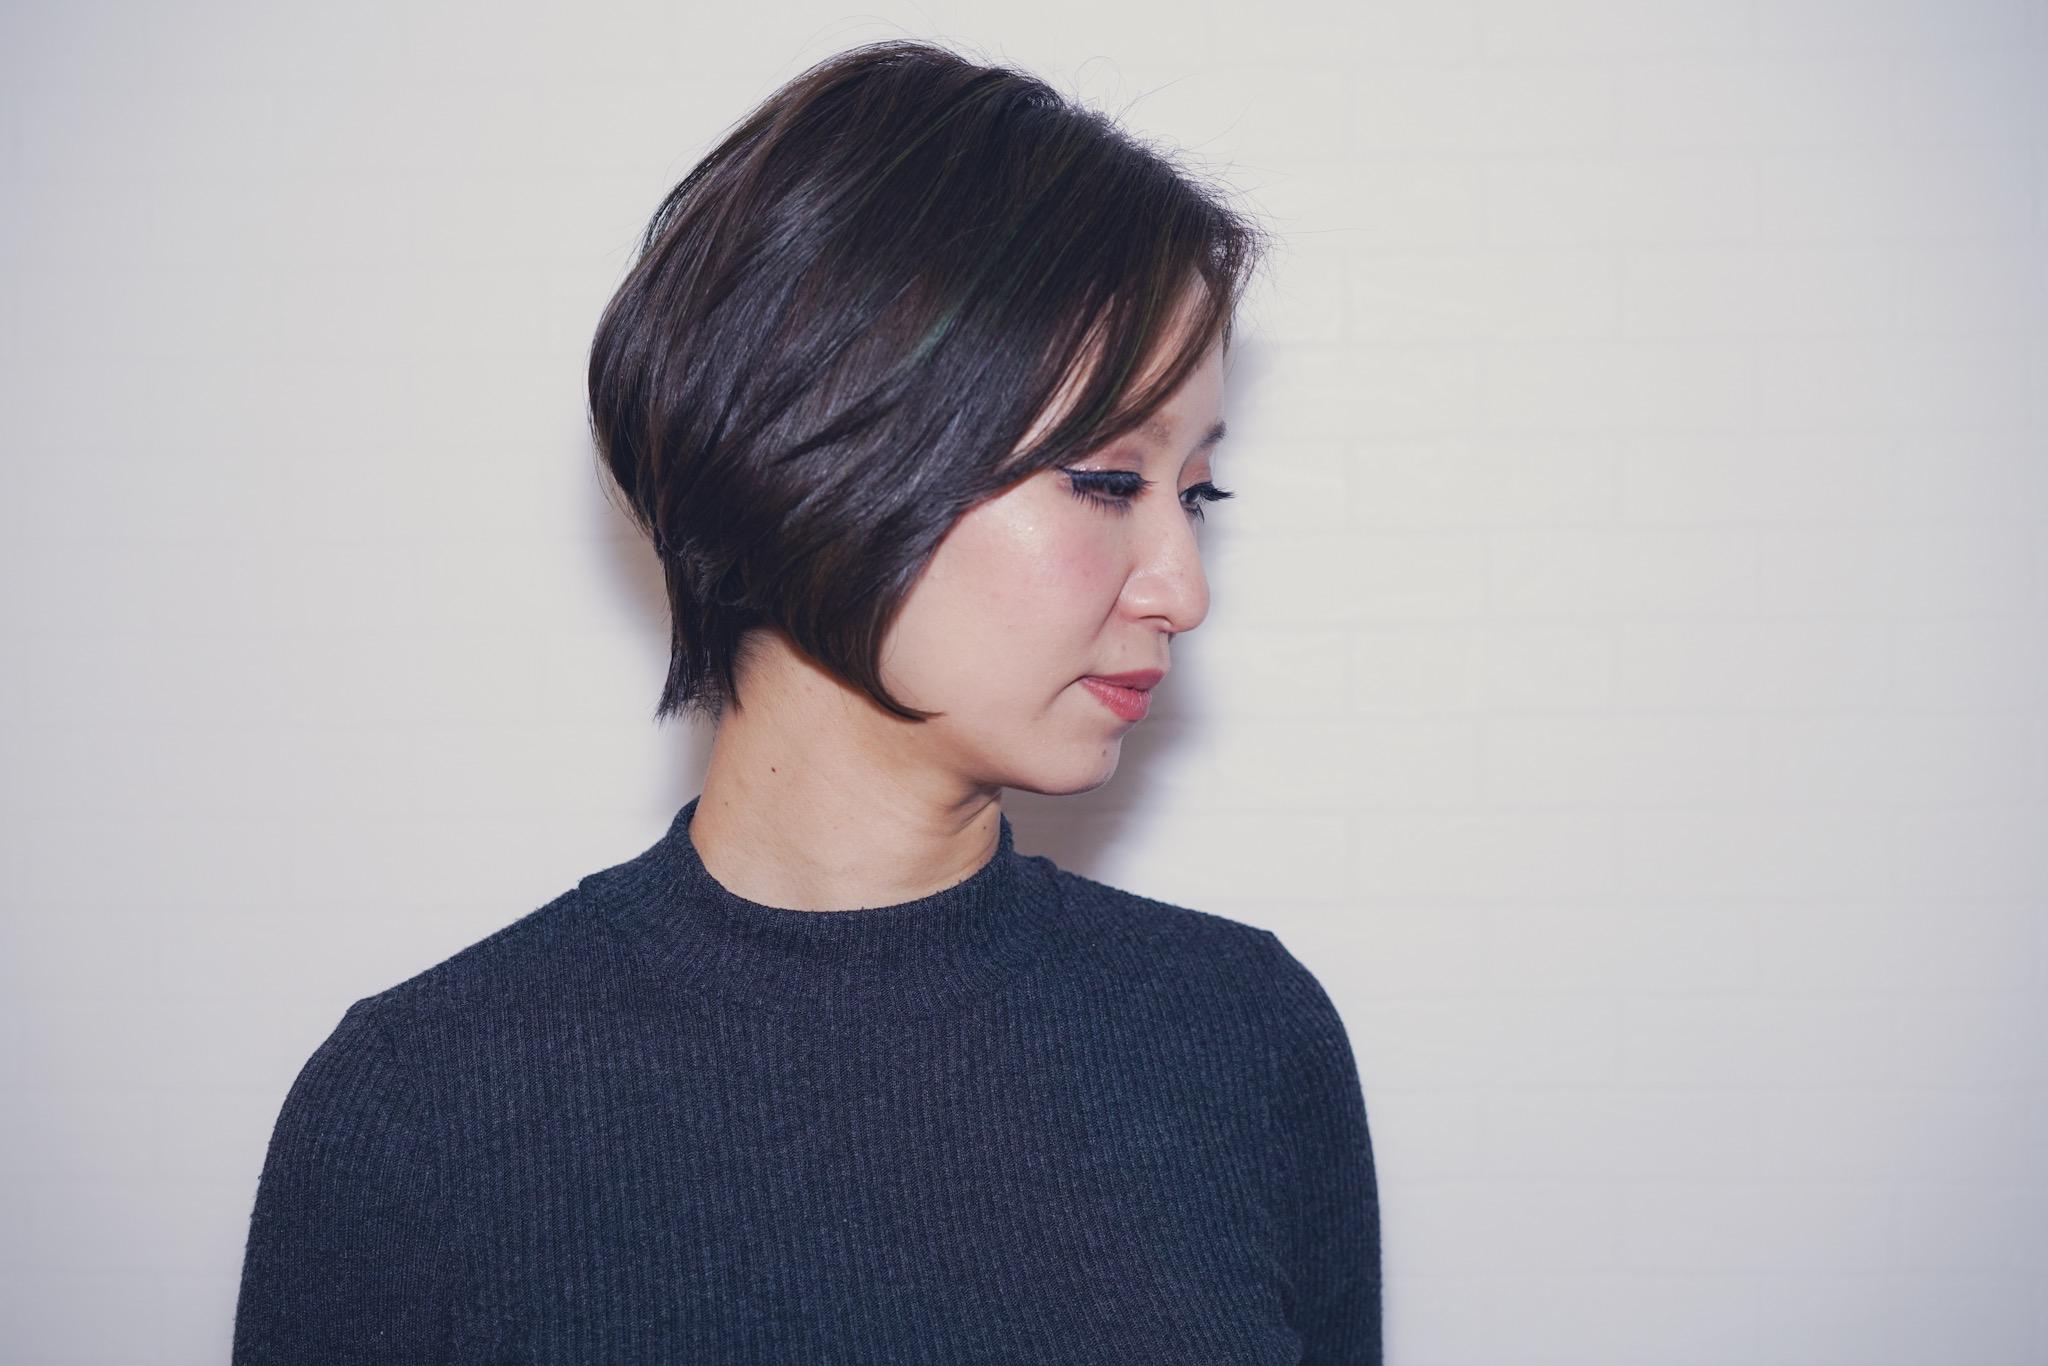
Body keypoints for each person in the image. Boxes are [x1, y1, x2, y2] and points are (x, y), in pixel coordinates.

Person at [232, 37, 1380, 1364]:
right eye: (1109, 482)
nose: (1183, 588)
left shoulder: (1243, 1040)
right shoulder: (420, 1114)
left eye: (1198, 495)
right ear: (819, 452)